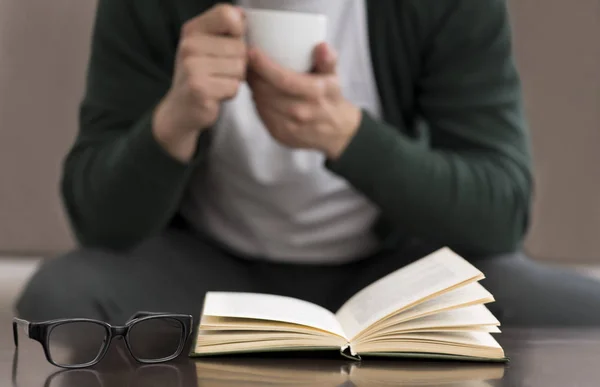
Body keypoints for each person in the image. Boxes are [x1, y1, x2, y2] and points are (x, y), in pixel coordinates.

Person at [15, 0, 600, 327]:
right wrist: (173, 120)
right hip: (209, 273)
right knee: (62, 296)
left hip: (395, 275)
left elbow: (501, 212)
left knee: (571, 311)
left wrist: (349, 138)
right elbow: (97, 223)